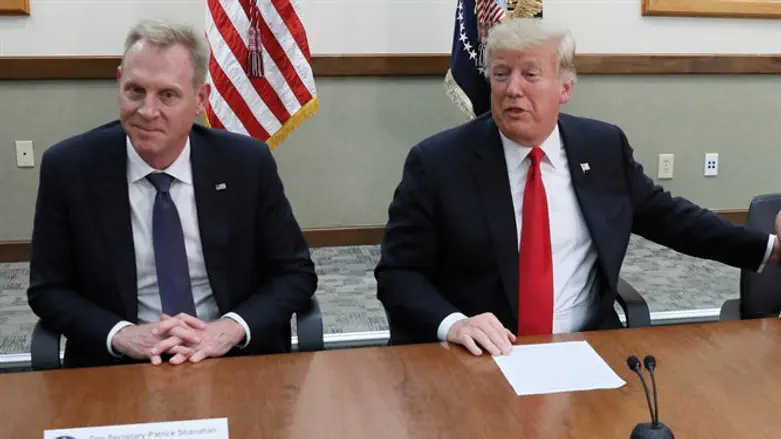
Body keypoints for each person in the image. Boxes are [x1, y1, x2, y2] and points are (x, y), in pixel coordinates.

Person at [374, 18, 781, 357]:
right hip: (482, 356)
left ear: (564, 89)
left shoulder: (602, 148)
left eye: (530, 74)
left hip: (586, 349)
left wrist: (769, 249)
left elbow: (672, 219)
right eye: (501, 74)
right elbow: (398, 273)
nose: (512, 89)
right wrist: (455, 324)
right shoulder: (438, 163)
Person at [27, 19, 317, 368]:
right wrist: (120, 333)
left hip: (230, 357)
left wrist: (229, 328)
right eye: (135, 91)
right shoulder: (69, 169)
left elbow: (295, 273)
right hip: (121, 363)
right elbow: (48, 290)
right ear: (119, 83)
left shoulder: (246, 164)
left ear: (200, 99)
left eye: (168, 95)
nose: (148, 111)